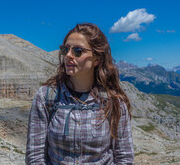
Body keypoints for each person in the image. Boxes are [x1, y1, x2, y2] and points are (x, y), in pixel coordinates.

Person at [25, 23, 134, 164]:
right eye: (65, 50)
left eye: (78, 51)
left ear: (97, 59)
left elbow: (124, 157)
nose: (69, 55)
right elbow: (35, 155)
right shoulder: (46, 96)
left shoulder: (113, 101)